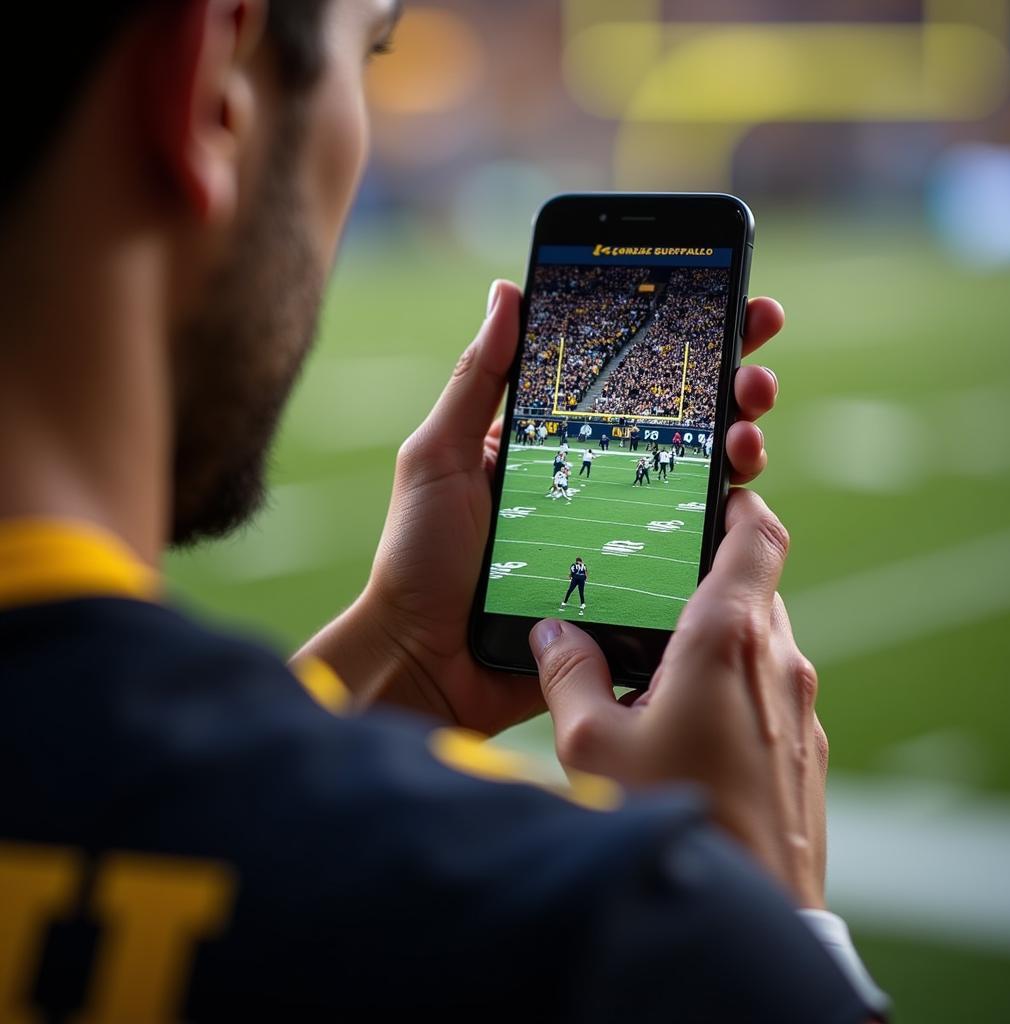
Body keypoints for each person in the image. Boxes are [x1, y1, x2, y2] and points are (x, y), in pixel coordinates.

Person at [0, 2, 886, 1021]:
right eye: (367, 54)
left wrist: (399, 660)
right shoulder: (608, 941)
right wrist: (767, 925)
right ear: (205, 91)